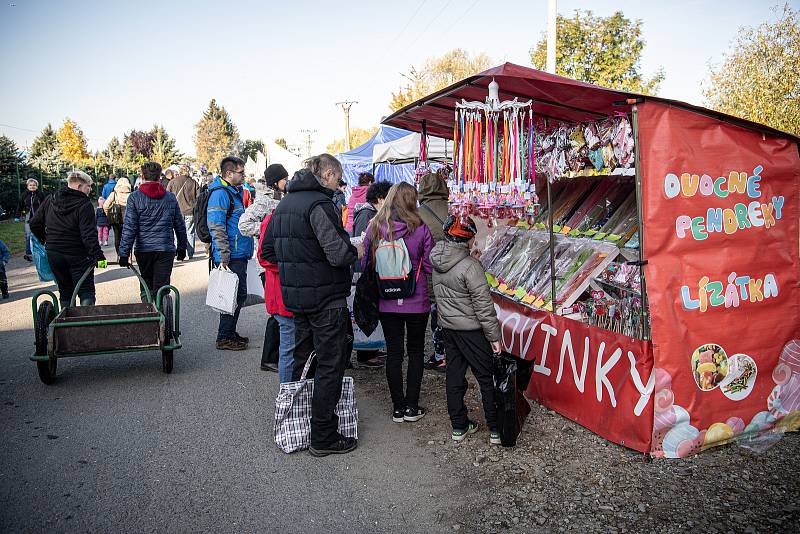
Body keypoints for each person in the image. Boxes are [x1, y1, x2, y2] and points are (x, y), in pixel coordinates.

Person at [262, 153, 359, 457]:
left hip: (297, 299)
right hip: (326, 299)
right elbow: (337, 253)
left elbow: (267, 251)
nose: (338, 184)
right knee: (329, 366)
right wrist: (352, 251)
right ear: (328, 175)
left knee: (306, 364)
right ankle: (323, 436)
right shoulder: (319, 205)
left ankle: (301, 426)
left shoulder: (285, 204)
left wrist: (297, 268)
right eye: (338, 178)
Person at [361, 182, 434, 424]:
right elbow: (431, 265)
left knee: (394, 353)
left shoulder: (375, 227)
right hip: (417, 300)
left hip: (386, 299)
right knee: (415, 352)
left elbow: (366, 266)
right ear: (412, 201)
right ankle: (412, 407)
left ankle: (397, 408)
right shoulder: (421, 228)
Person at [431, 215, 502, 445]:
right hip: (471, 330)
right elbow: (483, 306)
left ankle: (459, 426)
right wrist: (494, 337)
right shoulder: (470, 266)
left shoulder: (438, 260)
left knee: (454, 375)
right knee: (485, 376)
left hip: (449, 328)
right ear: (468, 238)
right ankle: (496, 428)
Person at [239, 163, 289, 372]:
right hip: (267, 264)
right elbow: (243, 225)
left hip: (280, 261)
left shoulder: (281, 199)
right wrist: (266, 230)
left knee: (281, 312)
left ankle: (275, 356)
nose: (287, 181)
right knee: (277, 313)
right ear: (275, 181)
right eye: (284, 178)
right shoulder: (264, 201)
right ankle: (269, 358)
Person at [29, 171, 105, 309]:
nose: (90, 189)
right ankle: (86, 324)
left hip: (54, 253)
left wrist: (46, 240)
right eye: (89, 186)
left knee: (65, 291)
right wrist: (99, 257)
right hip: (78, 254)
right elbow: (89, 236)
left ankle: (65, 323)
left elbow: (34, 223)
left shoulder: (50, 199)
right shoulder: (84, 204)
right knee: (85, 290)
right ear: (79, 186)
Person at [118, 162, 188, 301]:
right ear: (159, 177)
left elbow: (129, 227)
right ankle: (162, 313)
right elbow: (179, 225)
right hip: (165, 249)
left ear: (142, 176)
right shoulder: (169, 198)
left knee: (146, 283)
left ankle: (148, 312)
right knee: (162, 286)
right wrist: (182, 247)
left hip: (144, 250)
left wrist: (124, 253)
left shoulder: (134, 197)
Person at [207, 156, 254, 351]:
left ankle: (229, 331)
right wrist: (223, 254)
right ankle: (224, 336)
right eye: (241, 172)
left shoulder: (232, 192)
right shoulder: (221, 194)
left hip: (238, 253)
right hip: (230, 255)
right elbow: (216, 226)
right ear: (229, 174)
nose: (244, 175)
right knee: (232, 295)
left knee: (237, 294)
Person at [349, 180, 392, 369]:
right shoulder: (367, 213)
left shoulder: (372, 213)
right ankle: (365, 354)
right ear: (381, 198)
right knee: (365, 309)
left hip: (366, 268)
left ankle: (371, 350)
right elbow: (361, 243)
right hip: (362, 270)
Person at [418, 170, 451, 373]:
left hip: (430, 271)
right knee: (452, 310)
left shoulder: (418, 214)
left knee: (436, 312)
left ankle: (441, 355)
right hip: (455, 269)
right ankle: (454, 353)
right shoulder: (454, 208)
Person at [166, 164, 199, 260]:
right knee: (190, 232)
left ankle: (178, 252)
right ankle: (190, 253)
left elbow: (167, 197)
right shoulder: (193, 183)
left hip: (176, 212)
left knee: (177, 233)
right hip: (189, 211)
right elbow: (198, 198)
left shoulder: (172, 182)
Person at [16, 178, 46, 262]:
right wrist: (17, 216)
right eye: (30, 185)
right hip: (28, 218)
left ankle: (42, 251)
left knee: (41, 234)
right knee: (28, 235)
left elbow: (45, 205)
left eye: (34, 185)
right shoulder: (24, 195)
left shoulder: (40, 194)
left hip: (40, 218)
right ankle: (28, 253)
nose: (32, 186)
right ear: (27, 186)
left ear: (37, 186)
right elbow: (19, 205)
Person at [103, 177, 132, 256]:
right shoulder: (131, 194)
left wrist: (108, 214)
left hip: (116, 218)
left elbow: (105, 205)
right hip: (128, 218)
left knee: (117, 237)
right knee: (127, 238)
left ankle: (119, 255)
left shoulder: (114, 193)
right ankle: (127, 256)